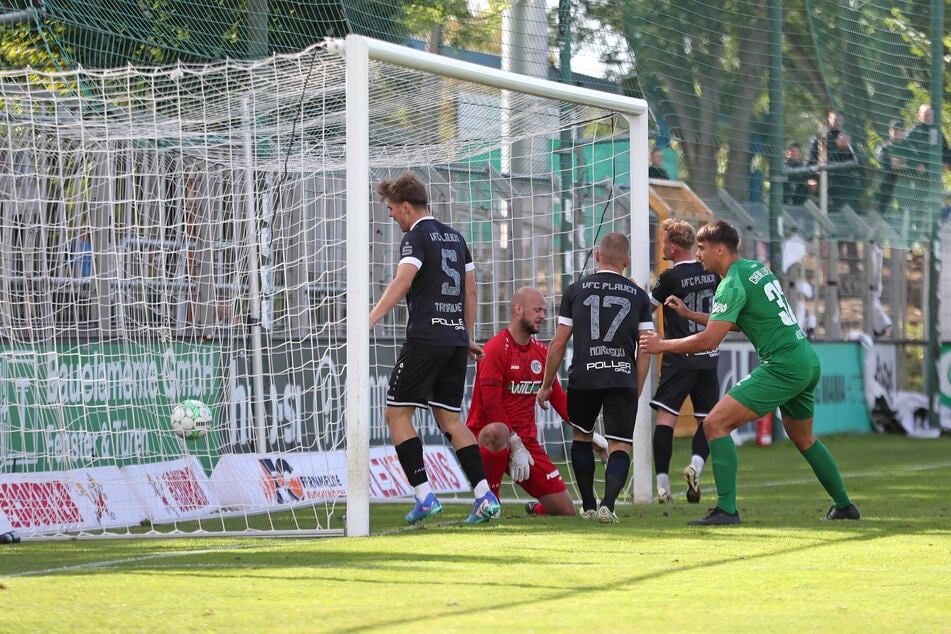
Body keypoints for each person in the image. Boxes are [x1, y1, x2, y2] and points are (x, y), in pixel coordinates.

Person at [639, 219, 860, 525]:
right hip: (804, 360)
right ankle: (844, 506)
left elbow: (710, 340)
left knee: (714, 424)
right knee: (804, 437)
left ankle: (726, 510)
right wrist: (690, 315)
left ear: (720, 249)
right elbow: (740, 322)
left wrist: (661, 345)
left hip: (783, 366)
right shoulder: (755, 269)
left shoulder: (731, 282)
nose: (699, 254)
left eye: (702, 249)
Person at [369, 171, 501, 525]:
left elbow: (403, 280)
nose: (391, 215)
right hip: (456, 338)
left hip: (426, 337)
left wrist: (371, 318)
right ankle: (484, 495)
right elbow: (470, 291)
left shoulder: (416, 237)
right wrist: (468, 335)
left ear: (408, 206)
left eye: (393, 209)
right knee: (450, 419)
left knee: (397, 414)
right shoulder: (457, 238)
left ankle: (425, 496)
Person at [537, 232, 654, 523]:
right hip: (621, 377)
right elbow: (647, 347)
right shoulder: (639, 295)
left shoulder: (575, 290)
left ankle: (588, 504)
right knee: (619, 446)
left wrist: (547, 384)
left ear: (598, 256)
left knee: (581, 438)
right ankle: (608, 506)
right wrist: (636, 387)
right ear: (626, 262)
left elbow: (558, 343)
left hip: (584, 376)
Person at [466, 286, 608, 517]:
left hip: (526, 443)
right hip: (490, 437)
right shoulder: (495, 349)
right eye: (537, 310)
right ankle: (489, 505)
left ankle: (534, 509)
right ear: (518, 309)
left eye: (545, 310)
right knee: (497, 431)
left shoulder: (542, 353)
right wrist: (514, 442)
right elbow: (490, 405)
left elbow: (560, 400)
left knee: (565, 511)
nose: (543, 315)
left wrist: (589, 434)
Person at [649, 219, 720, 505]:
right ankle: (695, 467)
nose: (662, 246)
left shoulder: (669, 279)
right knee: (707, 420)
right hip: (708, 356)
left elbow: (648, 308)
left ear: (674, 247)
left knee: (666, 419)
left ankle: (663, 486)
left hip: (679, 357)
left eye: (664, 241)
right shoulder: (711, 273)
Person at [808, 109, 859, 211]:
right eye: (834, 118)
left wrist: (846, 149)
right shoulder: (820, 138)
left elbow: (858, 163)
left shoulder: (848, 139)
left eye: (839, 118)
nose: (836, 121)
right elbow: (810, 162)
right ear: (829, 119)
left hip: (845, 187)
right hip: (825, 186)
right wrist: (811, 179)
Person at [875, 119, 914, 216]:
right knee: (882, 210)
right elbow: (885, 162)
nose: (896, 132)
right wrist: (903, 162)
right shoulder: (883, 147)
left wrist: (896, 162)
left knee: (906, 211)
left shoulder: (908, 147)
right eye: (893, 129)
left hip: (904, 183)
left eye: (899, 129)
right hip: (888, 182)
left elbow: (914, 163)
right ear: (890, 131)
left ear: (903, 131)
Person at [782, 141, 810, 206]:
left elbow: (805, 177)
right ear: (788, 152)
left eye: (796, 151)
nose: (795, 153)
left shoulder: (799, 165)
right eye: (793, 151)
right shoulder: (782, 164)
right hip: (785, 192)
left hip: (797, 195)